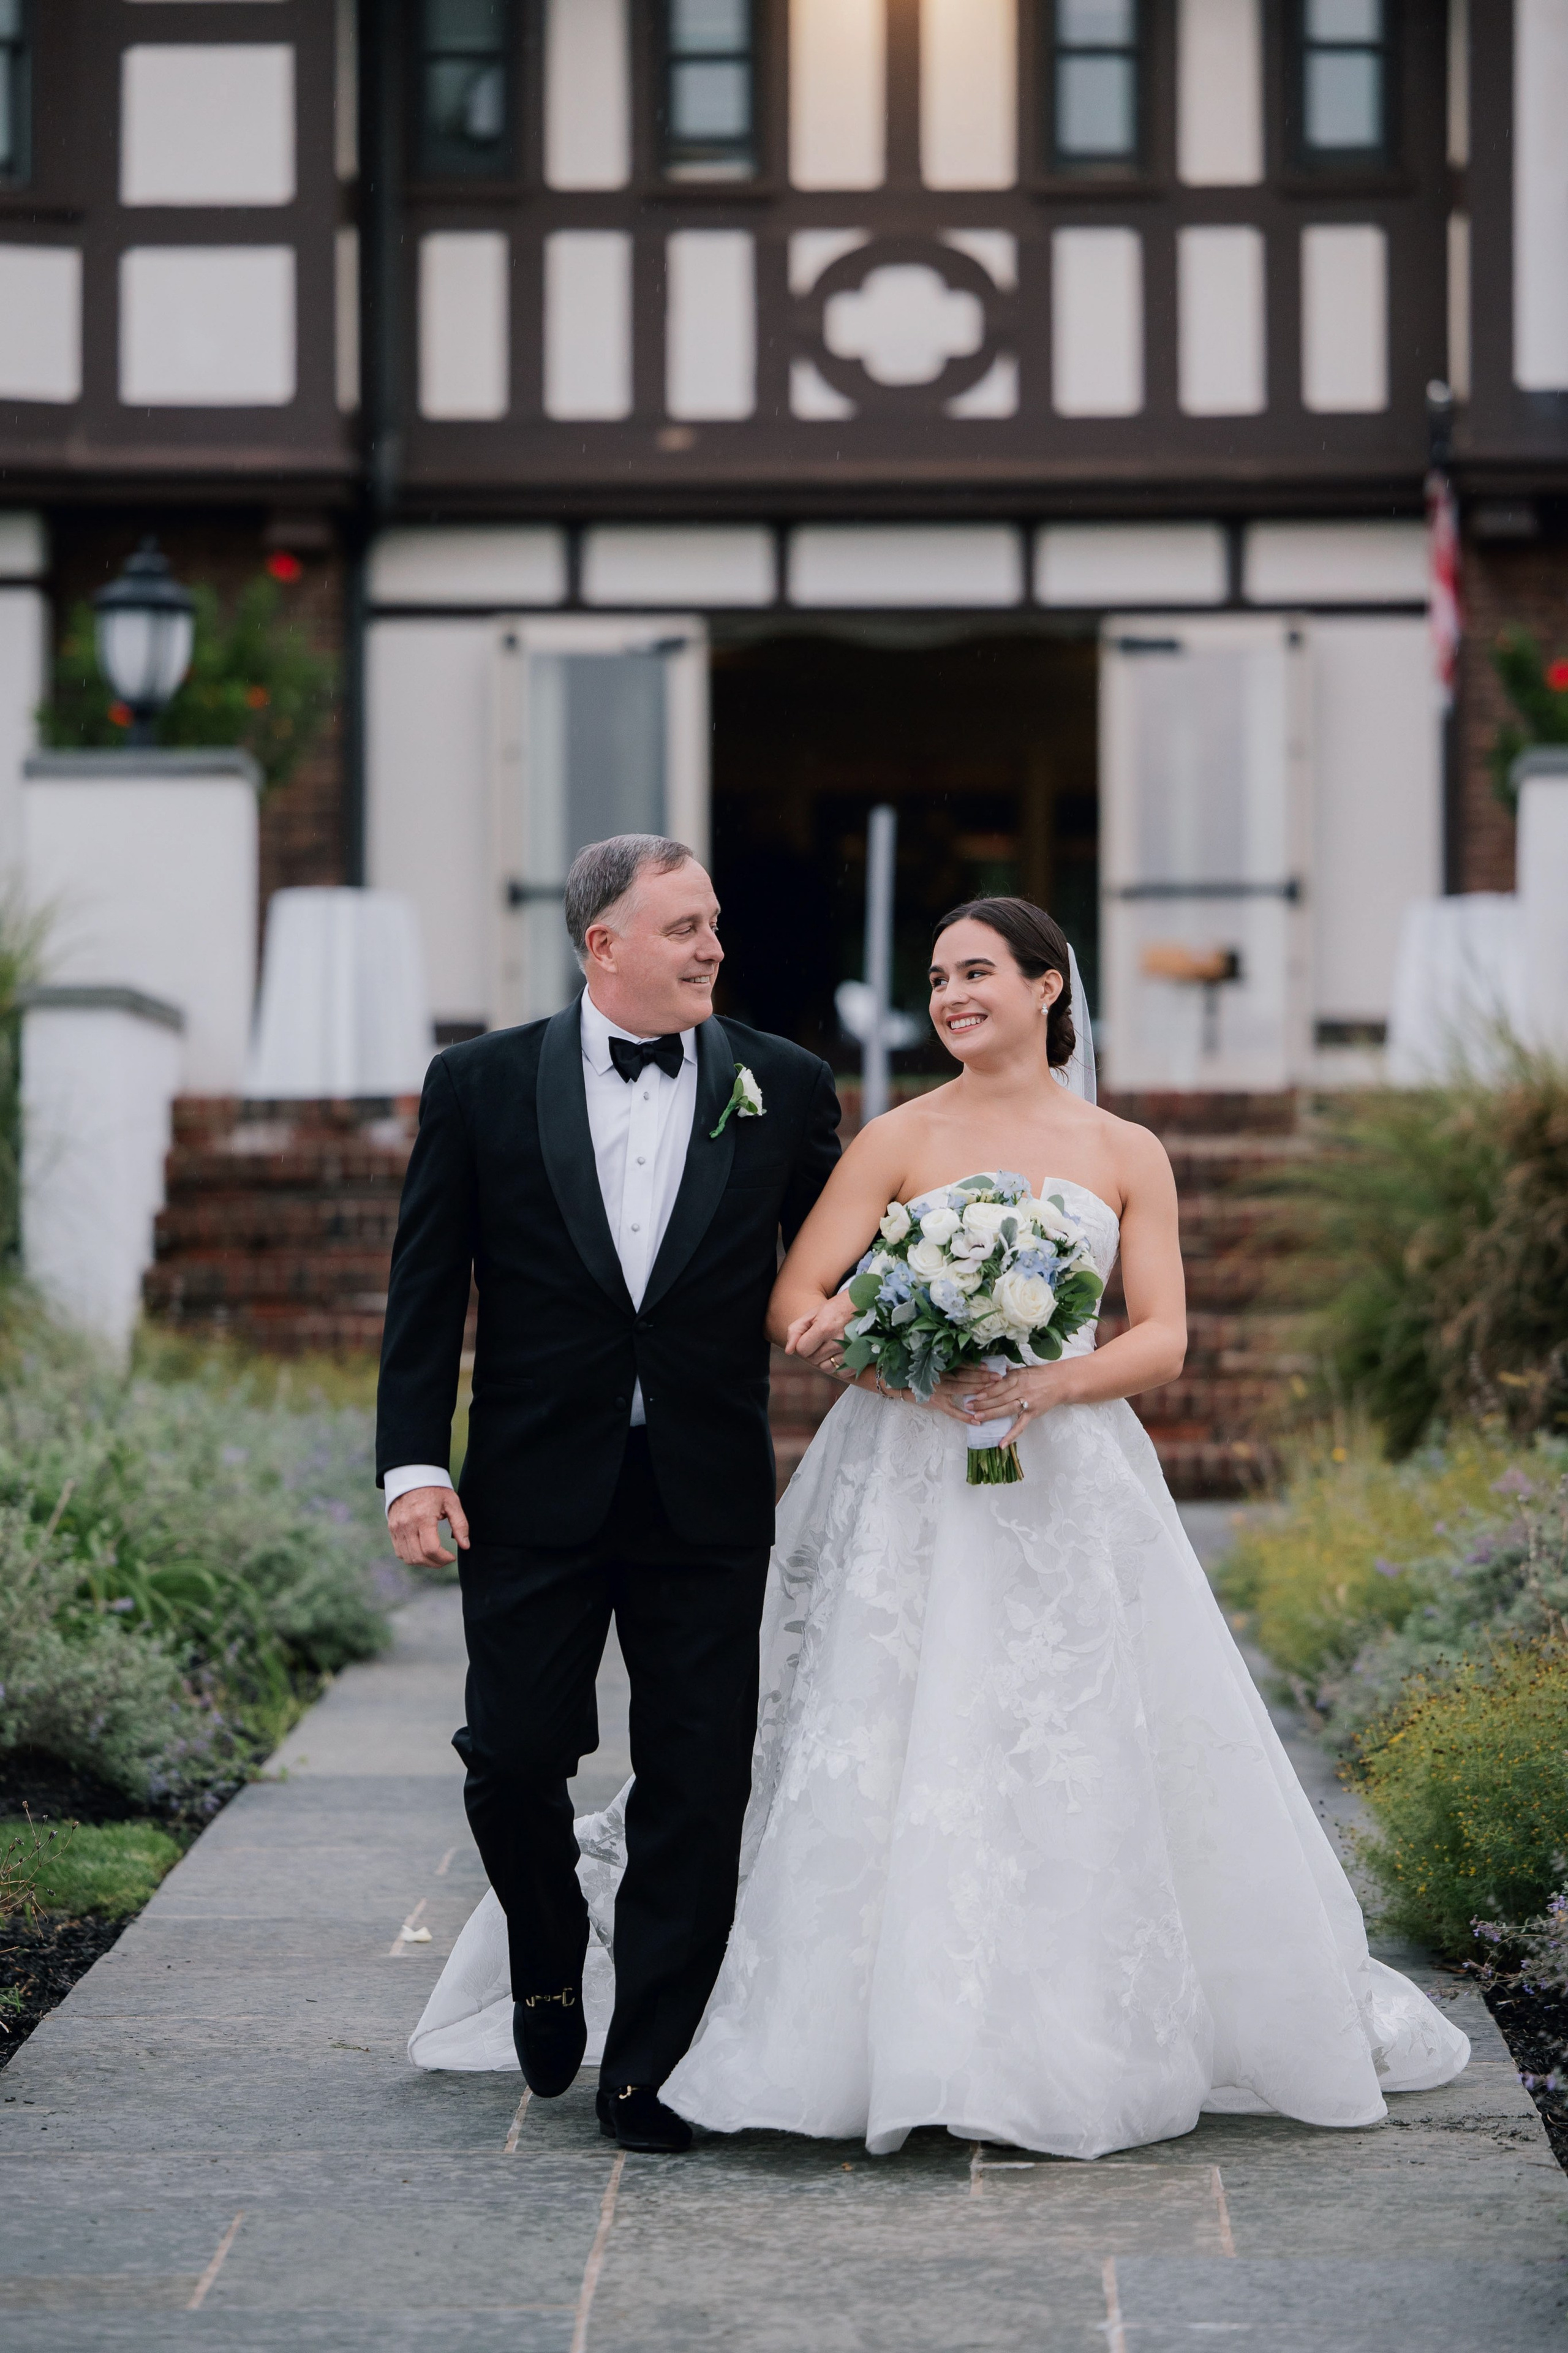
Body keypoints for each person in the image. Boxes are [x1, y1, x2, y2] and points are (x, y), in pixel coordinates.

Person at [411, 894, 1469, 2160]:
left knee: (1074, 1745)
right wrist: (910, 1363)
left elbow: (1163, 1336)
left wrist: (1040, 1384)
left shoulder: (1125, 1149)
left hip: (1070, 1482)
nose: (951, 994)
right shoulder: (895, 1138)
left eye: (975, 972)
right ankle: (850, 2031)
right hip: (907, 1476)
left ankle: (1062, 2032)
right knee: (879, 1729)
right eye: (935, 977)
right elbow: (798, 1296)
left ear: (1046, 988)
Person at [377, 833, 840, 2155]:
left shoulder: (784, 1082)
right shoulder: (475, 1084)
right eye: (684, 926)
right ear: (604, 945)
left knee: (696, 1776)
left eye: (712, 925)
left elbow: (831, 1259)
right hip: (529, 1484)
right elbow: (427, 1287)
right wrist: (413, 1461)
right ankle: (541, 1938)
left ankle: (650, 2066)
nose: (711, 947)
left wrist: (936, 1311)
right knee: (512, 1754)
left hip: (704, 1490)